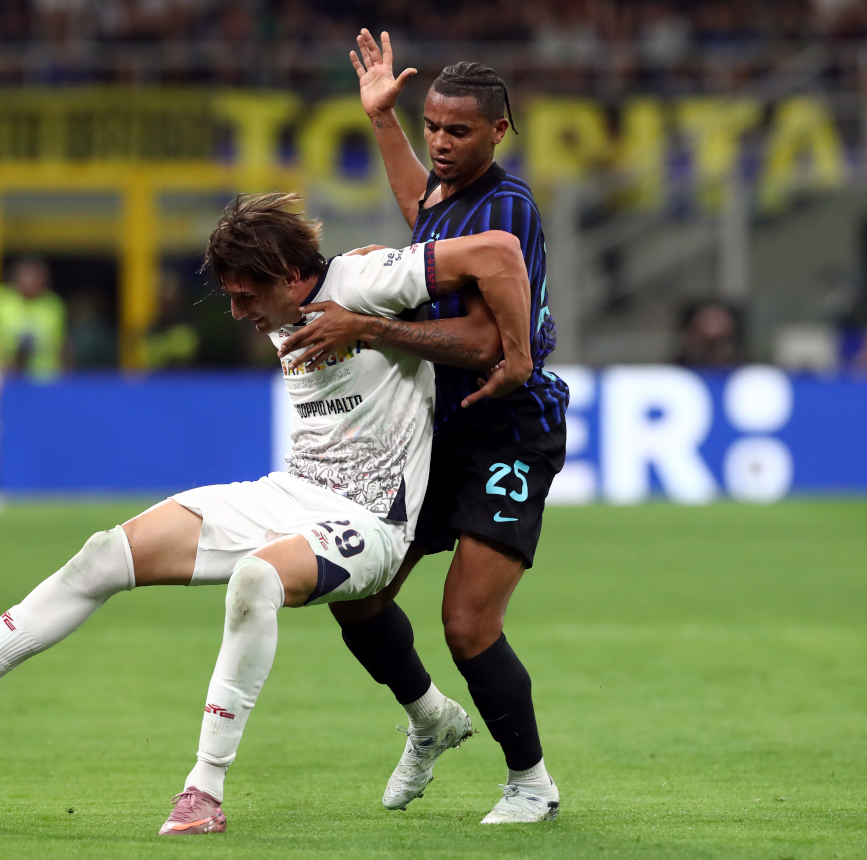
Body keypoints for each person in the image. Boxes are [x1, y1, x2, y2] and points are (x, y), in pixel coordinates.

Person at [0, 191, 535, 835]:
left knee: (258, 580)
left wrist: (516, 350)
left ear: (293, 275)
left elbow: (500, 252)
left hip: (371, 519)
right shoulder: (283, 302)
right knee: (103, 554)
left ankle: (204, 790)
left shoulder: (365, 281)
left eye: (245, 296)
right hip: (290, 493)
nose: (237, 313)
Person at [277, 32, 568, 824]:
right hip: (436, 431)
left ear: (498, 132)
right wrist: (383, 121)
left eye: (457, 131)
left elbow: (485, 345)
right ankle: (429, 719)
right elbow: (419, 208)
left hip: (508, 432)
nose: (439, 143)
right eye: (432, 126)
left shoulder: (507, 210)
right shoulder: (448, 197)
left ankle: (530, 783)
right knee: (357, 592)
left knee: (468, 622)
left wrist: (364, 330)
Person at [0, 256, 66, 379]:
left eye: (37, 277)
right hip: (4, 374)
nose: (32, 282)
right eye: (28, 276)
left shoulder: (52, 304)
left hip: (43, 376)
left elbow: (61, 342)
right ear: (16, 277)